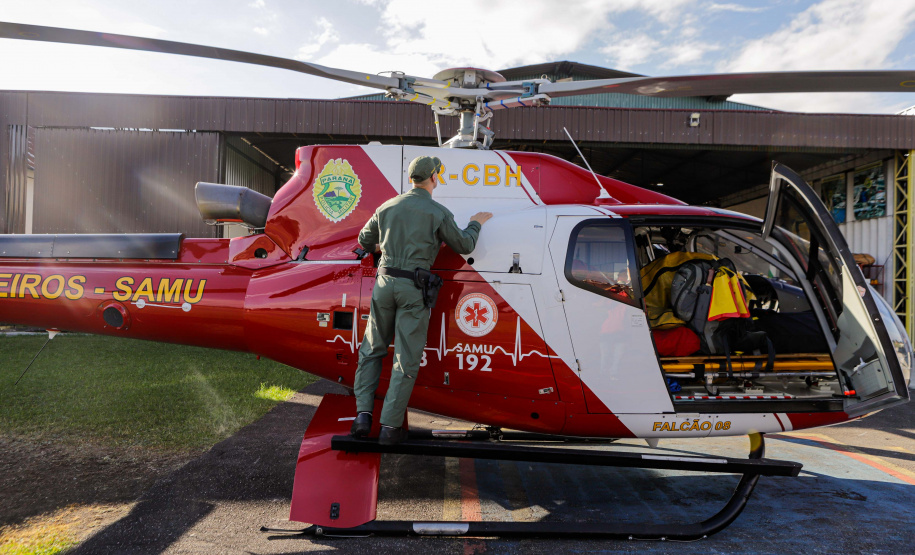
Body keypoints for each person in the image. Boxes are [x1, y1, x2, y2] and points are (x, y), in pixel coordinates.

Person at [351, 155, 493, 445]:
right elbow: (464, 244)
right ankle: (389, 427)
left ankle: (362, 415)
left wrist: (385, 245)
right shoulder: (437, 212)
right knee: (406, 359)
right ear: (434, 177)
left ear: (410, 178)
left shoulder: (387, 206)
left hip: (383, 283)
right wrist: (476, 223)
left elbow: (364, 241)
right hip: (413, 288)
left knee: (372, 349)